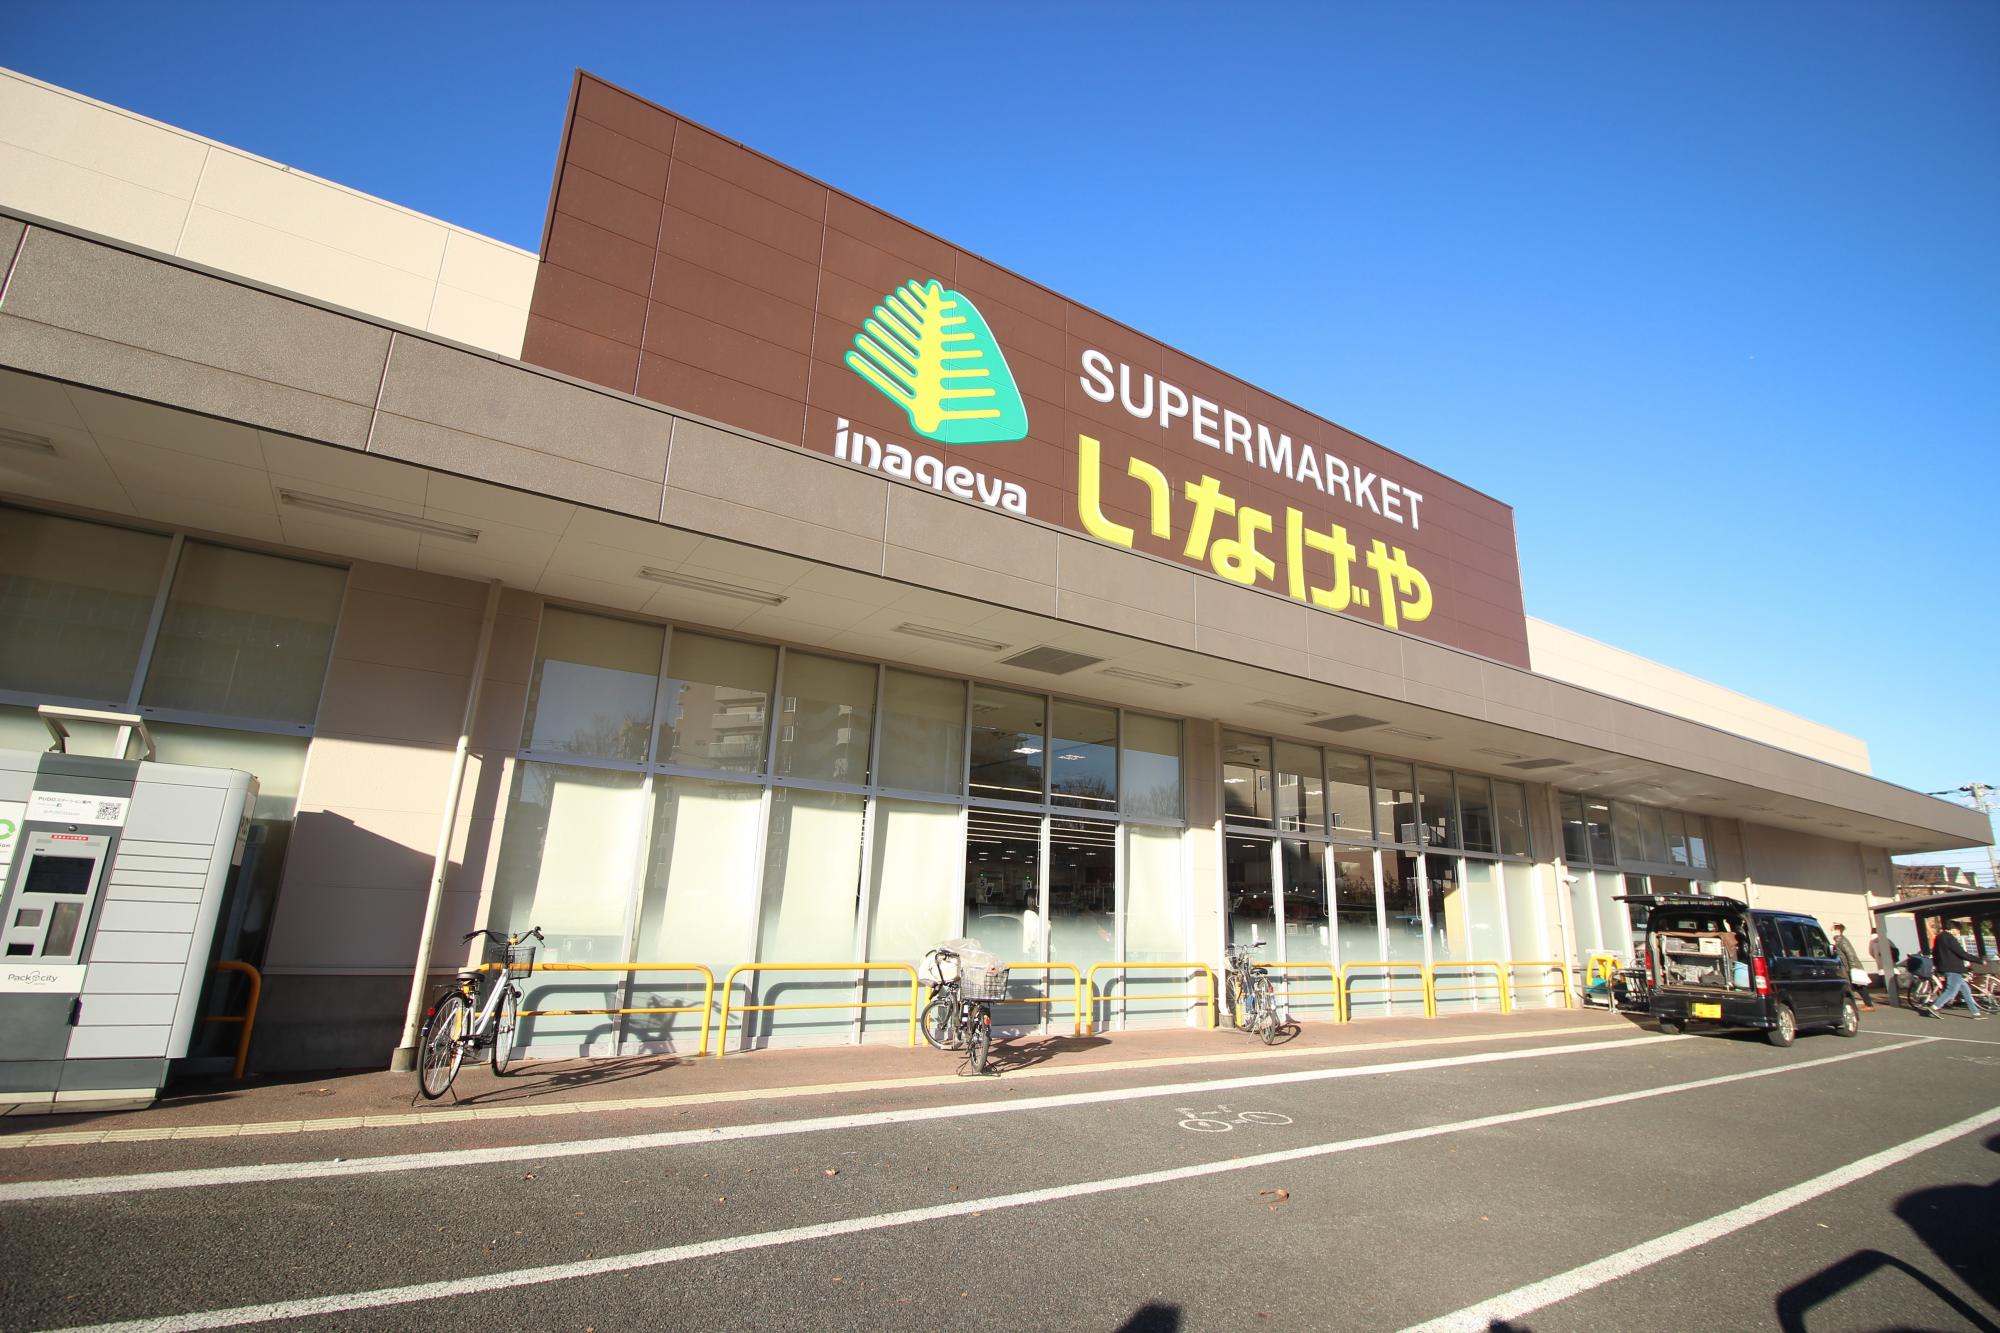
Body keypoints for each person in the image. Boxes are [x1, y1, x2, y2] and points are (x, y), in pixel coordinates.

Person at [1927, 918, 1988, 1020]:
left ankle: (1975, 1013)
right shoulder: (1950, 938)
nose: (1958, 932)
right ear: (1953, 928)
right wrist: (1979, 960)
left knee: (1966, 990)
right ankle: (1935, 1007)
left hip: (1945, 968)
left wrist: (1938, 968)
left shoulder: (1939, 937)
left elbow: (1935, 953)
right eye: (1958, 929)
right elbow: (1961, 953)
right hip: (1953, 968)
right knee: (1951, 991)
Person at [1831, 923, 1875, 1012]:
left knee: (1859, 986)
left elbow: (1850, 954)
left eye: (1832, 930)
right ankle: (1867, 1003)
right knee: (1857, 986)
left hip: (1851, 967)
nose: (1831, 932)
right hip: (1848, 967)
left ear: (1838, 930)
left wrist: (1852, 968)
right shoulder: (1839, 941)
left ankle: (1869, 1004)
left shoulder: (1842, 941)